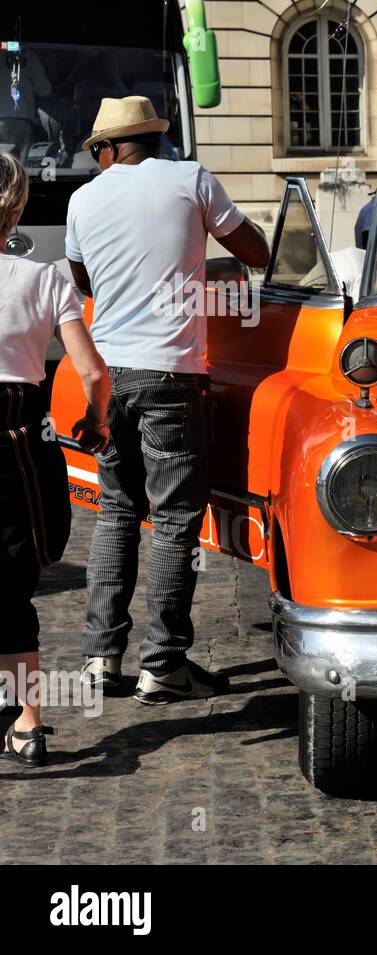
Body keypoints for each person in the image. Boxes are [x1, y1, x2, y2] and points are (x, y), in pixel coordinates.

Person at [65, 96, 270, 703]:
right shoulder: (191, 178)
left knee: (118, 512)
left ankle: (101, 660)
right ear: (152, 139)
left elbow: (84, 282)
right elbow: (256, 253)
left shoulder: (82, 199)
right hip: (170, 377)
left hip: (105, 374)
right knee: (175, 520)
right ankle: (164, 665)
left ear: (109, 148)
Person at [0, 151, 110, 767]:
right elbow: (93, 372)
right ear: (17, 208)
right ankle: (27, 720)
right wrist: (94, 425)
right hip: (17, 447)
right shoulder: (43, 279)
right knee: (12, 587)